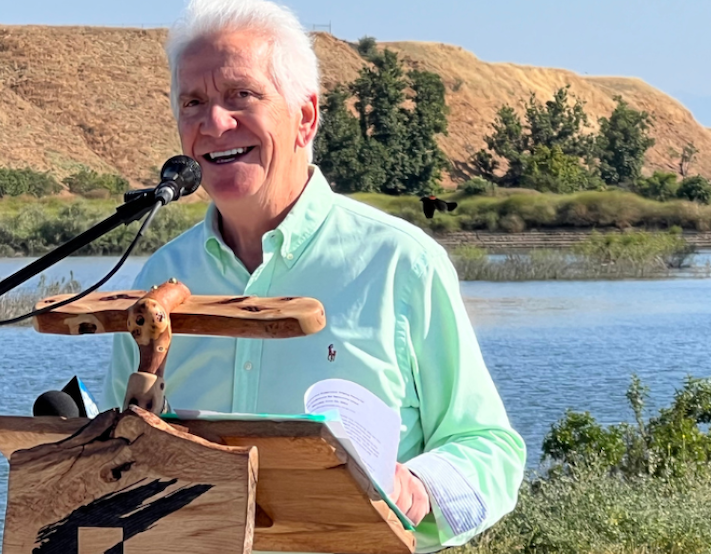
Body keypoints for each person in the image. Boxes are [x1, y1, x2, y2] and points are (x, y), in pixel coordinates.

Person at [104, 0, 526, 549]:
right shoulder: (163, 275)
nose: (214, 123)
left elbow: (490, 449)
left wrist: (418, 487)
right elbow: (115, 445)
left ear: (305, 117)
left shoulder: (401, 263)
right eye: (193, 103)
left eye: (241, 95)